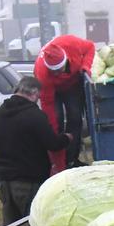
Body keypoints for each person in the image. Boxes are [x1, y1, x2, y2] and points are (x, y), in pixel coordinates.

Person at [0, 76, 67, 226]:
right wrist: (66, 138)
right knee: (32, 224)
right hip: (28, 180)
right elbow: (52, 144)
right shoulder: (34, 116)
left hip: (5, 180)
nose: (38, 100)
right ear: (33, 93)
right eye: (38, 97)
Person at [32, 34, 96, 169]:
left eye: (59, 70)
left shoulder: (70, 43)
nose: (57, 74)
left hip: (72, 86)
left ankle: (72, 159)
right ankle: (59, 161)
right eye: (53, 71)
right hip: (52, 91)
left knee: (75, 118)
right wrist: (55, 141)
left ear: (65, 60)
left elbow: (90, 47)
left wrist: (85, 67)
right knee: (57, 121)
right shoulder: (43, 74)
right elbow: (49, 111)